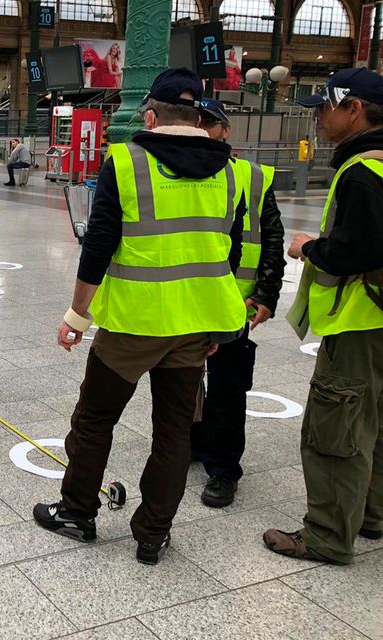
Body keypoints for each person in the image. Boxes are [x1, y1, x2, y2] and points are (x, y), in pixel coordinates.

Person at [32, 69, 248, 565]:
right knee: (173, 432)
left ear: (149, 116)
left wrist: (76, 316)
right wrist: (219, 324)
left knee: (94, 420)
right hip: (195, 326)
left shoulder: (126, 162)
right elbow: (226, 254)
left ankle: (78, 511)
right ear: (199, 118)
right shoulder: (234, 172)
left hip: (132, 325)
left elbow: (99, 247)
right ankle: (152, 534)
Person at [264, 67, 383, 565]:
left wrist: (311, 246)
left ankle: (329, 536)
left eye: (324, 107)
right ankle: (372, 515)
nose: (317, 117)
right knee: (375, 422)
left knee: (336, 428)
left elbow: (359, 249)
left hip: (359, 320)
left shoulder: (363, 171)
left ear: (353, 108)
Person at [190, 99, 286, 507]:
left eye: (210, 124)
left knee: (228, 386)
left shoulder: (252, 176)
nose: (202, 130)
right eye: (196, 123)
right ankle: (194, 443)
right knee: (186, 382)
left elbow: (273, 238)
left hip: (236, 301)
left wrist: (266, 293)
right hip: (189, 299)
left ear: (226, 131)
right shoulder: (179, 173)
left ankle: (224, 468)